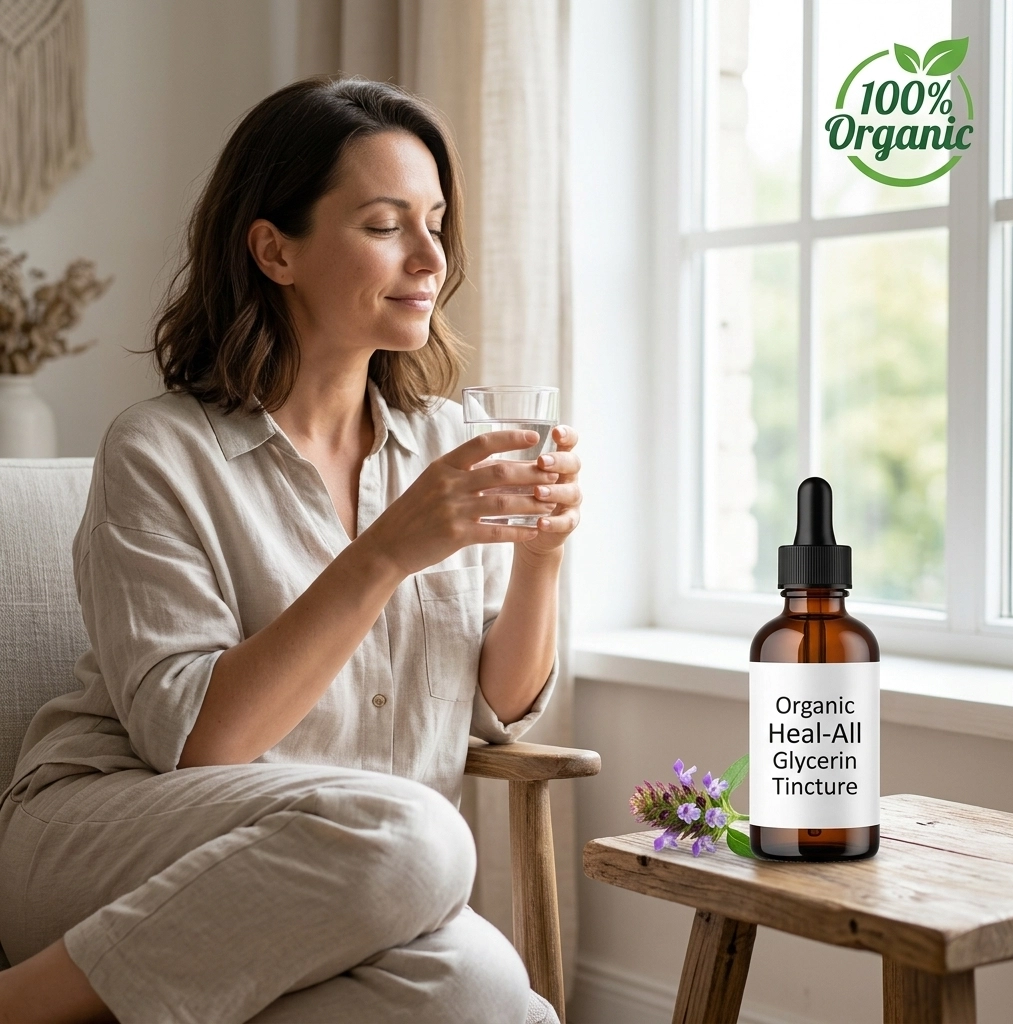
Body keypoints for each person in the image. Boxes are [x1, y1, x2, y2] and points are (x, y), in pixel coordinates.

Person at [0, 77, 581, 1024]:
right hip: (112, 832)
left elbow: (498, 706)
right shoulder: (161, 449)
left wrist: (543, 557)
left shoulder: (440, 446)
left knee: (481, 995)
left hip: (350, 879)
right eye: (387, 225)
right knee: (421, 838)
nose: (431, 257)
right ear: (275, 249)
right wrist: (385, 551)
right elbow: (201, 747)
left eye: (436, 222)